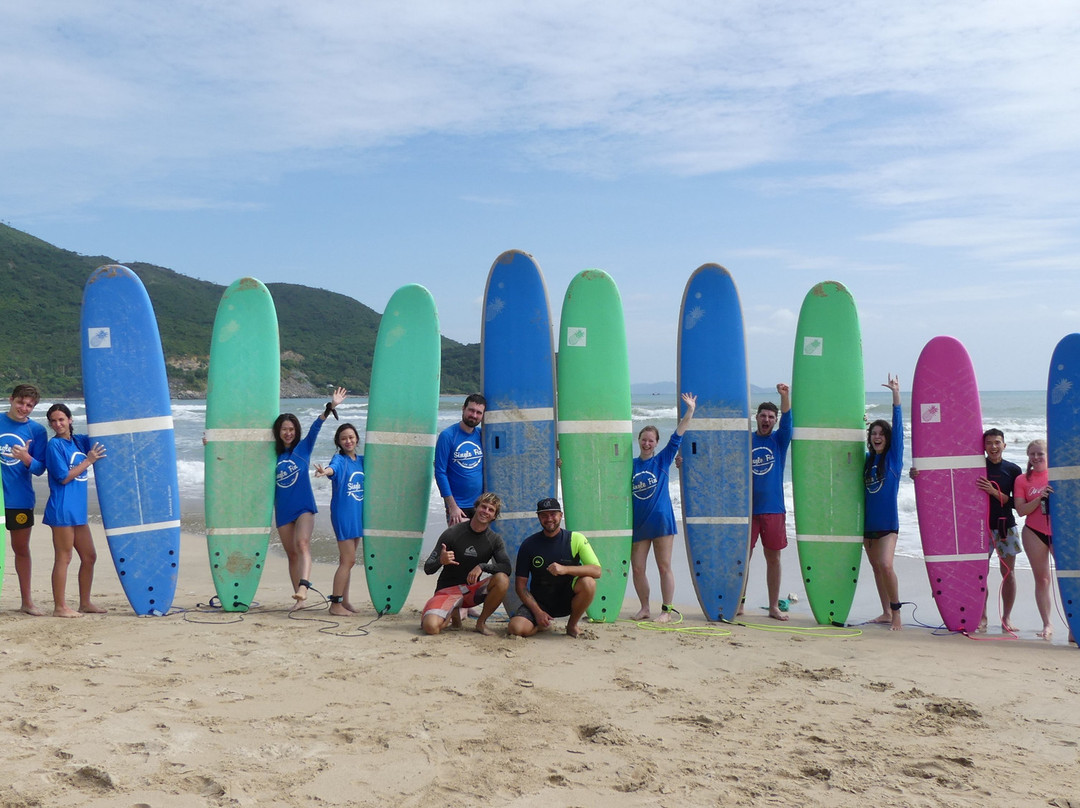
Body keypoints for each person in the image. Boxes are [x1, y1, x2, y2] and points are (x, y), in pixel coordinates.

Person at [274, 386, 347, 608]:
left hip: (304, 507)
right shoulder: (271, 453)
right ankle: (299, 599)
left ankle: (303, 586)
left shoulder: (303, 448)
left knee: (302, 543)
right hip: (283, 510)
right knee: (291, 554)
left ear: (296, 431)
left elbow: (317, 425)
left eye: (292, 429)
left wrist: (331, 406)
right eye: (284, 429)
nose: (288, 433)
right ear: (278, 432)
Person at [630, 392, 696, 622]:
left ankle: (666, 611)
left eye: (651, 440)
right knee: (637, 569)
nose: (647, 443)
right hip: (638, 524)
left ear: (657, 443)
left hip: (661, 522)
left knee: (664, 566)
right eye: (644, 439)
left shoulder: (663, 460)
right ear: (638, 440)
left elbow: (678, 435)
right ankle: (645, 607)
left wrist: (690, 410)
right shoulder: (630, 465)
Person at [42, 404, 107, 618]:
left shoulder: (78, 441)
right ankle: (60, 607)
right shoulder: (55, 446)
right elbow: (63, 476)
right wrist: (88, 460)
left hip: (78, 511)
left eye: (61, 419)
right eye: (53, 421)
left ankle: (85, 603)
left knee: (89, 557)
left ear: (70, 419)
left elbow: (106, 440)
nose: (57, 424)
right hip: (61, 509)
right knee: (64, 557)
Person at [507, 498, 602, 638]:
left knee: (589, 582)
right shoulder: (529, 545)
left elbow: (597, 571)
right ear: (538, 517)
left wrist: (565, 569)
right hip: (540, 602)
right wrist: (537, 612)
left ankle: (572, 625)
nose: (549, 519)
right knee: (516, 628)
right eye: (544, 515)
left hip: (568, 600)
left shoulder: (575, 539)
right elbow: (520, 586)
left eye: (553, 514)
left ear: (561, 515)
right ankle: (541, 626)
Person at [420, 492, 510, 636]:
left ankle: (480, 623)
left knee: (502, 579)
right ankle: (449, 613)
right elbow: (428, 568)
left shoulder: (494, 540)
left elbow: (506, 568)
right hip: (447, 591)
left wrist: (482, 566)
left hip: (471, 592)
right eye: (483, 507)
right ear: (476, 508)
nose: (486, 511)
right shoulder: (452, 533)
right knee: (431, 628)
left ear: (494, 516)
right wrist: (441, 561)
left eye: (491, 510)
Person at [742, 383, 792, 621]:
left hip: (773, 509)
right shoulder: (746, 440)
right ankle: (738, 602)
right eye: (763, 415)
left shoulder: (779, 441)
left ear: (774, 421)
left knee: (773, 559)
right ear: (756, 417)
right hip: (747, 509)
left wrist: (785, 396)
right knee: (744, 558)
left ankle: (774, 606)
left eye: (771, 416)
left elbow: (788, 420)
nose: (766, 419)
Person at [1, 384, 49, 615]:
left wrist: (26, 457)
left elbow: (40, 469)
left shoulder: (37, 431)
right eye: (21, 402)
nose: (24, 408)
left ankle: (27, 601)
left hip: (19, 500)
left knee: (21, 549)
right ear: (11, 399)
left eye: (30, 405)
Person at [863, 375, 904, 631]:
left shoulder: (893, 460)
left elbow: (899, 429)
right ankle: (885, 612)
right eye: (873, 433)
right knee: (877, 568)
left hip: (888, 524)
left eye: (881, 434)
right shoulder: (866, 460)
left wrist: (896, 396)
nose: (877, 437)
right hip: (867, 525)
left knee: (887, 565)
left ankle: (897, 612)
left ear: (887, 438)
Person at [975, 429, 1024, 632]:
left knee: (1008, 574)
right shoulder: (976, 468)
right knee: (979, 574)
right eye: (989, 443)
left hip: (1006, 527)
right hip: (979, 527)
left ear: (1004, 445)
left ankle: (1007, 618)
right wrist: (917, 474)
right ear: (984, 446)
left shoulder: (1013, 470)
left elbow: (1017, 503)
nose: (993, 447)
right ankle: (982, 616)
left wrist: (993, 492)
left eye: (997, 442)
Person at [313, 422, 364, 617]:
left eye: (351, 437)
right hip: (343, 515)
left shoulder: (361, 461)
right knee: (348, 561)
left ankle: (345, 600)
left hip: (357, 514)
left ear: (357, 438)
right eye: (344, 438)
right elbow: (332, 469)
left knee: (347, 561)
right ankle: (335, 604)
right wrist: (325, 471)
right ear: (338, 442)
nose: (348, 441)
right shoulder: (339, 460)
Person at [1014, 439, 1054, 639]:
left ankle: (1074, 624)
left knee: (1070, 578)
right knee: (1043, 579)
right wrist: (1040, 498)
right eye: (1032, 454)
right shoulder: (1022, 480)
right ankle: (1047, 624)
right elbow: (1021, 511)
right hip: (1033, 532)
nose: (1036, 457)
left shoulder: (1057, 475)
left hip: (1060, 533)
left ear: (1048, 454)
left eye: (1040, 453)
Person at [434, 394, 486, 527]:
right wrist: (452, 507)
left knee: (479, 547)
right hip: (458, 507)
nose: (474, 415)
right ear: (463, 409)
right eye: (471, 410)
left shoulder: (482, 435)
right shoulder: (447, 435)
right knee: (458, 546)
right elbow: (440, 472)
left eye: (478, 412)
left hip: (480, 506)